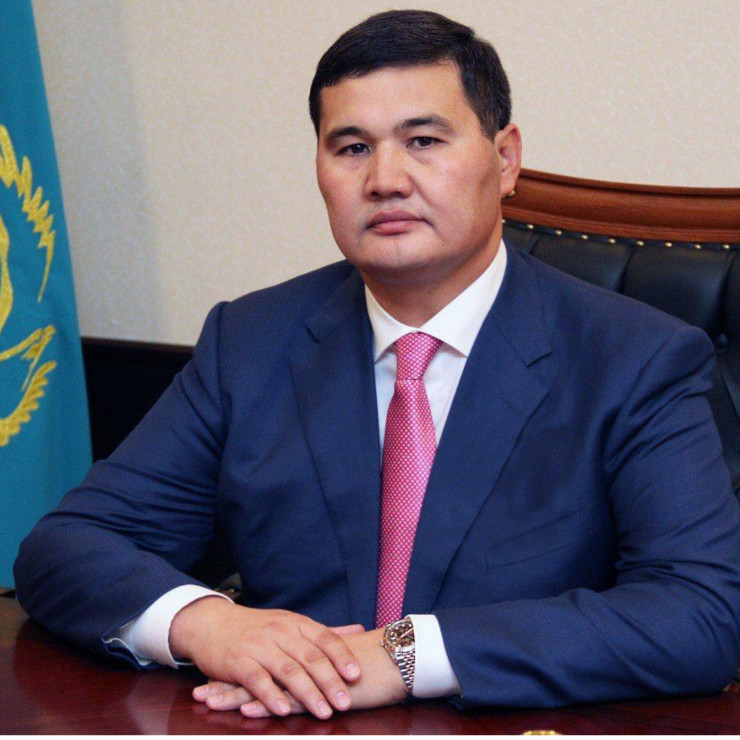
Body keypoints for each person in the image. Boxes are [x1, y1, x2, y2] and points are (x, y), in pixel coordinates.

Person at [14, 8, 740, 721]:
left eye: (423, 140)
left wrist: (404, 656)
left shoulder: (636, 358)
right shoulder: (253, 341)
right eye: (352, 147)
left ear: (505, 159)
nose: (385, 179)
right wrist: (211, 625)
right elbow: (66, 548)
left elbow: (699, 613)